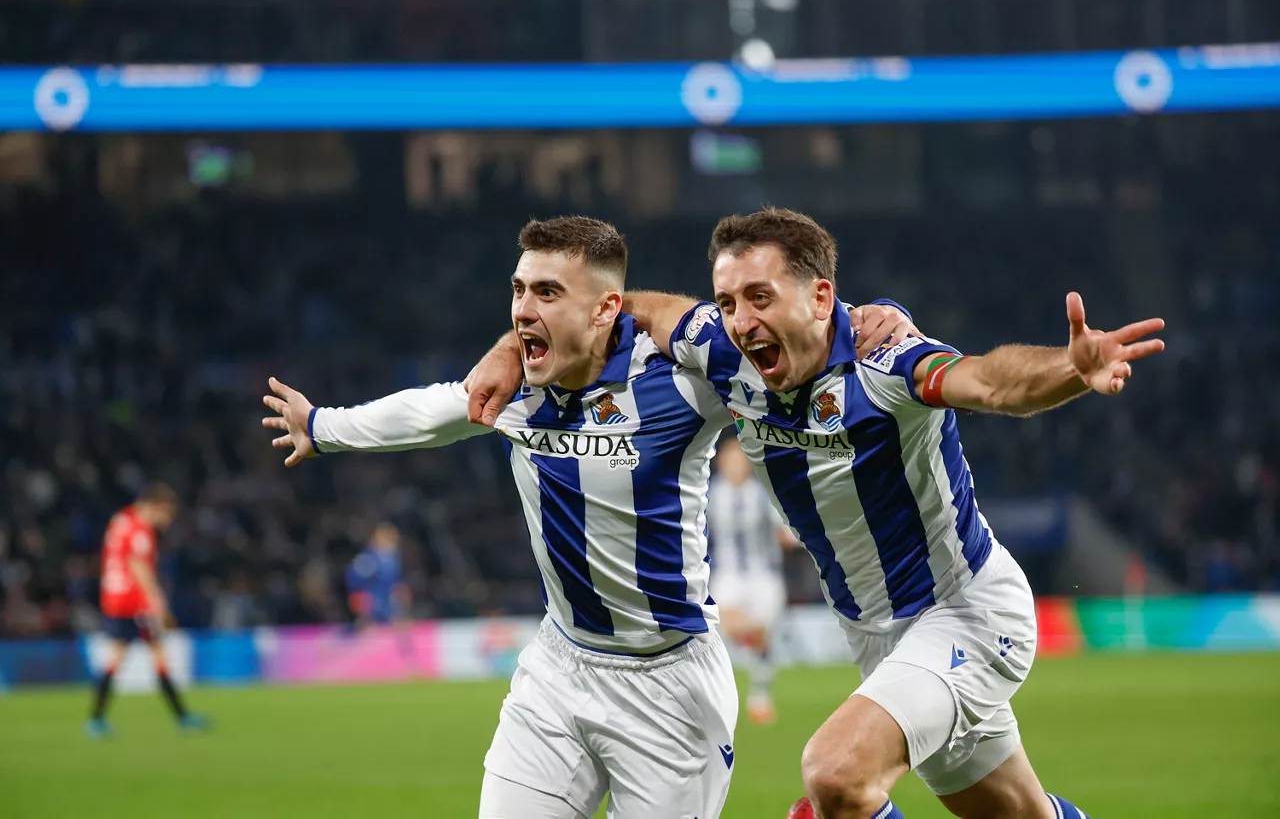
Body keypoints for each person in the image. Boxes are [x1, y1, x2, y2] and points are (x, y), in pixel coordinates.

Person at [466, 207, 1164, 819]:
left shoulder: (885, 361)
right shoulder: (722, 351)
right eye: (727, 300)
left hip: (964, 614)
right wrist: (507, 349)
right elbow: (628, 305)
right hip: (876, 637)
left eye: (759, 297)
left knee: (836, 775)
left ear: (821, 296)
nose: (741, 321)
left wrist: (1070, 368)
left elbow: (989, 381)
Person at [264, 216, 911, 819]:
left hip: (669, 686)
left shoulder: (682, 379)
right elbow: (431, 413)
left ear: (605, 309)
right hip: (558, 668)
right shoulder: (516, 387)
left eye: (548, 292)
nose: (524, 309)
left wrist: (877, 316)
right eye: (519, 290)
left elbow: (795, 342)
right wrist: (321, 427)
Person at [87, 483, 208, 738]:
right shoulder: (140, 530)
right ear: (156, 506)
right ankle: (182, 717)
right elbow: (139, 567)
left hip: (114, 596)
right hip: (134, 601)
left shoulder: (121, 520)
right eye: (167, 514)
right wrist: (158, 602)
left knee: (124, 656)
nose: (167, 521)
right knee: (155, 655)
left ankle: (96, 720)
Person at [706, 435, 797, 725]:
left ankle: (760, 693)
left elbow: (787, 531)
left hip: (763, 575)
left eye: (740, 459)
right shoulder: (709, 493)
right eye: (730, 459)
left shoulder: (763, 494)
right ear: (721, 462)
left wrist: (795, 538)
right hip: (727, 573)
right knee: (729, 625)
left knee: (760, 636)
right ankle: (721, 695)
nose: (735, 465)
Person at [346, 522, 411, 628]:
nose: (390, 542)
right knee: (360, 597)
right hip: (370, 603)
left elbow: (396, 583)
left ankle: (396, 618)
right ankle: (366, 621)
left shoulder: (394, 558)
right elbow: (354, 585)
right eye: (386, 538)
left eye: (392, 538)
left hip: (388, 603)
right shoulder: (366, 559)